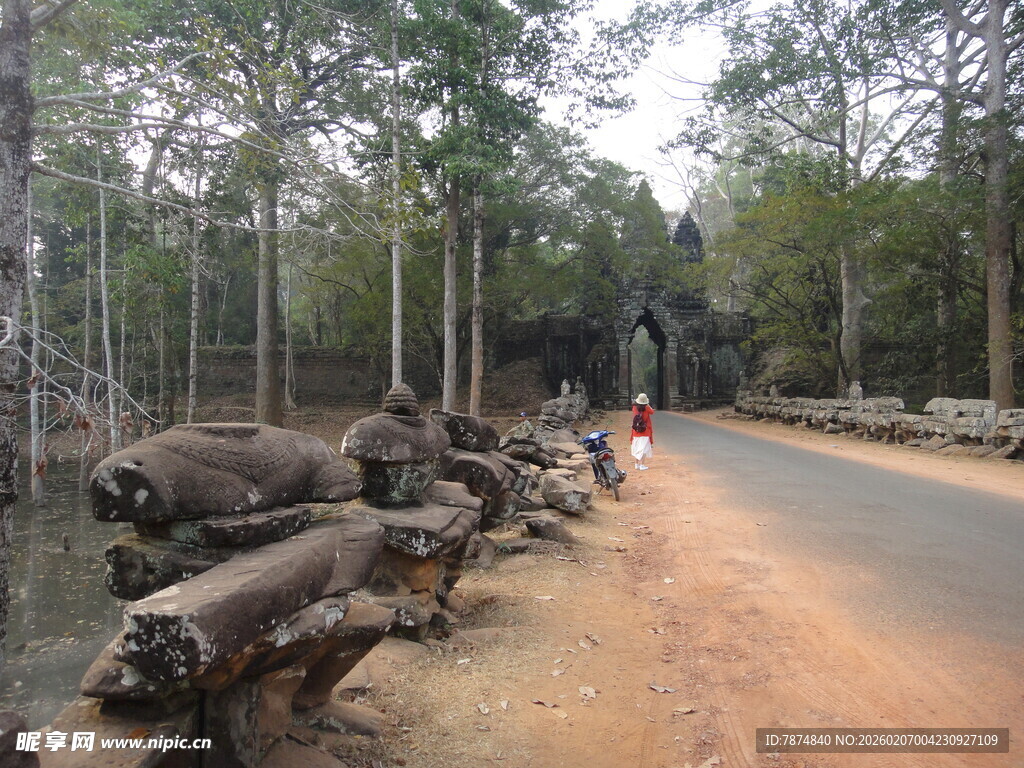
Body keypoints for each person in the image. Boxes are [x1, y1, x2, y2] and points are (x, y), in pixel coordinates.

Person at [630, 393, 654, 470]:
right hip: (645, 430)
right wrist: (647, 404)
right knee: (644, 449)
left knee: (637, 448)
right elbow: (652, 412)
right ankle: (642, 465)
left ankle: (636, 464)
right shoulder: (647, 407)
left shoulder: (634, 407)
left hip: (636, 431)